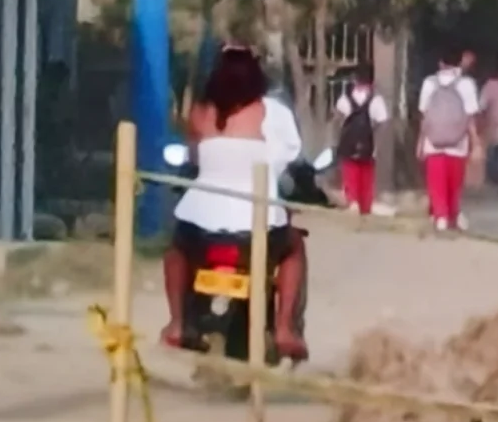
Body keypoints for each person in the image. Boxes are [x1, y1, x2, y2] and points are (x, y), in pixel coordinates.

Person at [166, 46, 305, 360]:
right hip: (258, 227)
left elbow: (193, 156)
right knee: (293, 247)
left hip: (200, 229)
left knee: (175, 250)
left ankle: (176, 323)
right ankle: (284, 329)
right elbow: (290, 156)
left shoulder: (201, 112)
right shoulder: (271, 112)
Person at [418, 50, 480, 230]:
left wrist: (420, 141)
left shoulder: (429, 83)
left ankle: (441, 216)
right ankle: (453, 213)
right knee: (455, 180)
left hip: (433, 141)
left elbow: (425, 114)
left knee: (436, 180)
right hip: (458, 142)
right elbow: (470, 117)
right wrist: (476, 142)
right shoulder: (467, 84)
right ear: (459, 61)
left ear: (440, 63)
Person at [333, 70, 389, 214]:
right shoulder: (376, 100)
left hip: (348, 145)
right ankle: (365, 207)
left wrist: (339, 138)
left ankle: (352, 202)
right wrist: (376, 143)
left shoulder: (344, 99)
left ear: (355, 80)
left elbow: (337, 120)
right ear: (372, 82)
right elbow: (382, 123)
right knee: (366, 178)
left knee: (350, 174)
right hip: (368, 146)